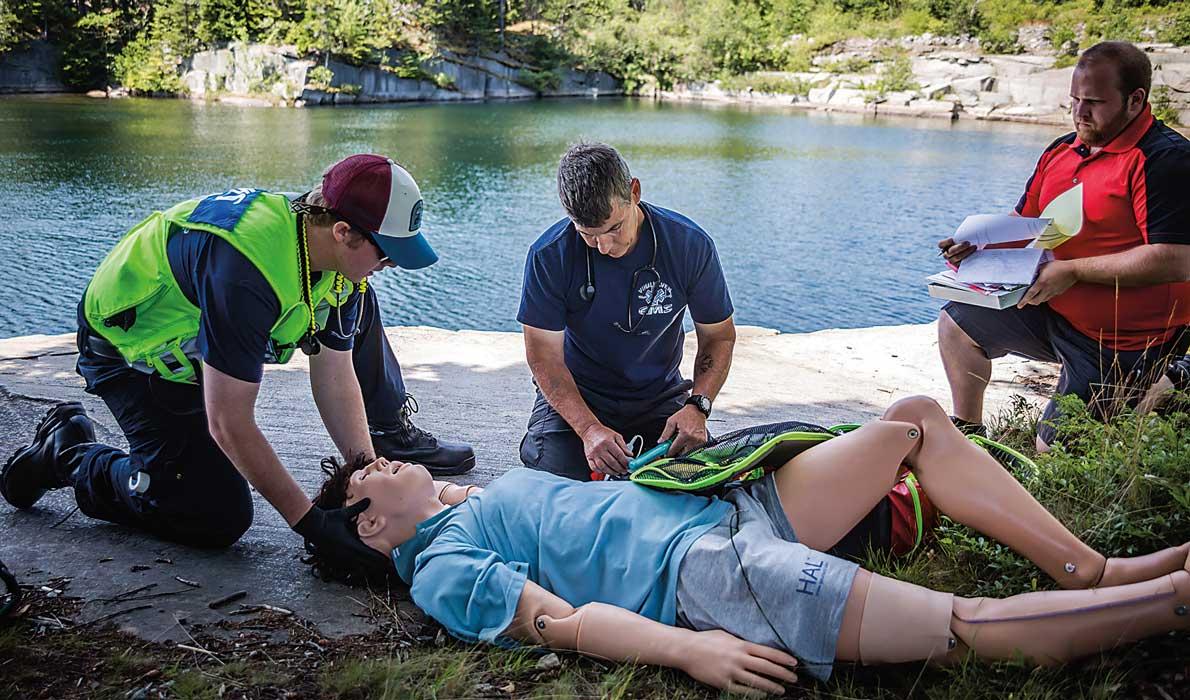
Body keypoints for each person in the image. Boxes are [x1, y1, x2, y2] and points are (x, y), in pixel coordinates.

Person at [307, 395, 1190, 694]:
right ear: (372, 526)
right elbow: (564, 622)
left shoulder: (469, 507)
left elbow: (587, 524)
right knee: (963, 622)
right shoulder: (444, 571)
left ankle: (1090, 568)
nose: (378, 460)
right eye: (367, 476)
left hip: (723, 510)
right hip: (710, 573)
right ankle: (1166, 604)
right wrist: (689, 649)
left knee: (911, 423)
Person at [1, 154, 474, 578]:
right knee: (213, 517)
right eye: (386, 251)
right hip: (131, 355)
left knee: (360, 318)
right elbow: (228, 420)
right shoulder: (247, 268)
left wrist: (367, 472)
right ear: (343, 231)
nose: (390, 264)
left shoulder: (337, 262)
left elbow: (333, 372)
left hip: (197, 359)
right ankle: (70, 454)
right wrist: (310, 524)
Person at [937, 41, 1190, 450]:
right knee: (956, 324)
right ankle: (968, 440)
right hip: (1054, 313)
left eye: (1093, 102)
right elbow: (1027, 224)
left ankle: (1157, 386)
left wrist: (1072, 271)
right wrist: (977, 246)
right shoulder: (1061, 149)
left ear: (1135, 100)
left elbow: (1177, 260)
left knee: (1053, 454)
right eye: (1074, 100)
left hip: (1126, 341)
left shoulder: (1167, 160)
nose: (1079, 112)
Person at [518, 142, 737, 480]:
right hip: (579, 397)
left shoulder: (689, 245)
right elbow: (544, 357)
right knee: (552, 483)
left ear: (634, 192)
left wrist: (698, 406)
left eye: (614, 228)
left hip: (657, 397)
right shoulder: (549, 255)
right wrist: (589, 429)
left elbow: (718, 337)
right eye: (588, 235)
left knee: (689, 482)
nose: (604, 247)